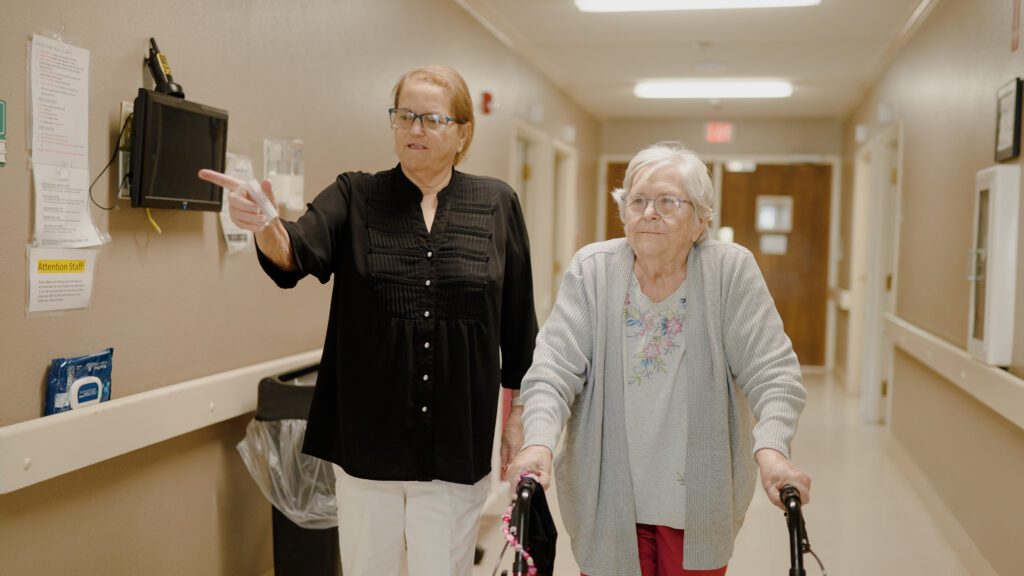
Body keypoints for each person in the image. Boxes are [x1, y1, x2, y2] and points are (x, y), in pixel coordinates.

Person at [199, 65, 538, 576]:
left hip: (455, 440)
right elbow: (296, 252)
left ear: (463, 131)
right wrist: (265, 224)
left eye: (430, 118)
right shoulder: (355, 195)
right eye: (404, 116)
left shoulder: (496, 203)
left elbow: (518, 323)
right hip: (367, 439)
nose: (414, 129)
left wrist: (518, 418)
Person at [507, 142, 811, 576]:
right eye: (638, 200)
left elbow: (774, 374)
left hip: (698, 501)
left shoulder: (730, 271)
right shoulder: (591, 270)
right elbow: (554, 370)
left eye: (668, 201)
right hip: (607, 499)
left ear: (701, 218)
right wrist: (538, 441)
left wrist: (773, 447)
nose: (650, 212)